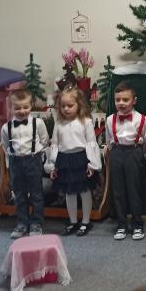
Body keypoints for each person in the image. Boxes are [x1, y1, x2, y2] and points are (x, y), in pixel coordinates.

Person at [45, 86, 102, 237]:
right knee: (69, 192)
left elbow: (91, 143)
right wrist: (52, 165)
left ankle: (86, 221)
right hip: (64, 160)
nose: (66, 109)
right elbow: (55, 144)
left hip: (81, 159)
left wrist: (92, 164)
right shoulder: (59, 123)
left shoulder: (86, 122)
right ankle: (72, 221)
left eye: (70, 105)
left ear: (79, 105)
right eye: (63, 106)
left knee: (84, 191)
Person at [0, 88, 49, 238]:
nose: (22, 111)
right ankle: (21, 223)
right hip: (16, 162)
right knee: (19, 194)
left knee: (36, 194)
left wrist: (38, 155)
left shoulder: (38, 123)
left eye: (25, 107)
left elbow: (44, 140)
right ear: (11, 108)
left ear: (31, 105)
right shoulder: (6, 127)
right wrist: (10, 162)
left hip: (33, 160)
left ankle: (36, 223)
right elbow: (5, 145)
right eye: (17, 108)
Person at [106, 81, 146, 241]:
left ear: (134, 100)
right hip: (116, 152)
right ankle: (121, 224)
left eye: (125, 99)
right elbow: (109, 139)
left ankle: (137, 224)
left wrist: (139, 154)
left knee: (134, 189)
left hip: (134, 152)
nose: (121, 103)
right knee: (118, 190)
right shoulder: (110, 119)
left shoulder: (142, 119)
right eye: (118, 100)